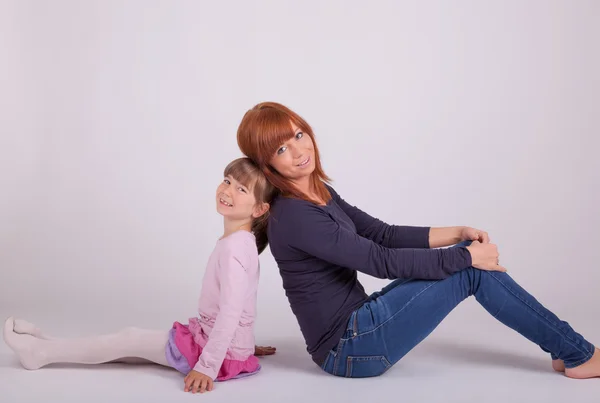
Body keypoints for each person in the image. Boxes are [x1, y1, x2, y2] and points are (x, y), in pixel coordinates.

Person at [236, 101, 599, 379]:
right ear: (267, 164)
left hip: (361, 323)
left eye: (299, 135)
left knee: (464, 257)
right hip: (348, 350)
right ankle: (577, 354)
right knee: (471, 269)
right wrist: (468, 259)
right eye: (282, 149)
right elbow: (380, 261)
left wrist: (457, 234)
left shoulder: (316, 192)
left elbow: (383, 234)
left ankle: (563, 347)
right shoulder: (295, 215)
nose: (299, 151)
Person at [3, 157, 279, 393]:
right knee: (131, 346)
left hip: (212, 351)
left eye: (241, 189)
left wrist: (207, 367)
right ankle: (49, 344)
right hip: (223, 345)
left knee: (129, 338)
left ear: (259, 209)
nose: (228, 191)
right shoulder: (241, 243)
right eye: (227, 180)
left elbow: (231, 312)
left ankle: (41, 353)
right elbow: (243, 304)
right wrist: (244, 346)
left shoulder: (235, 249)